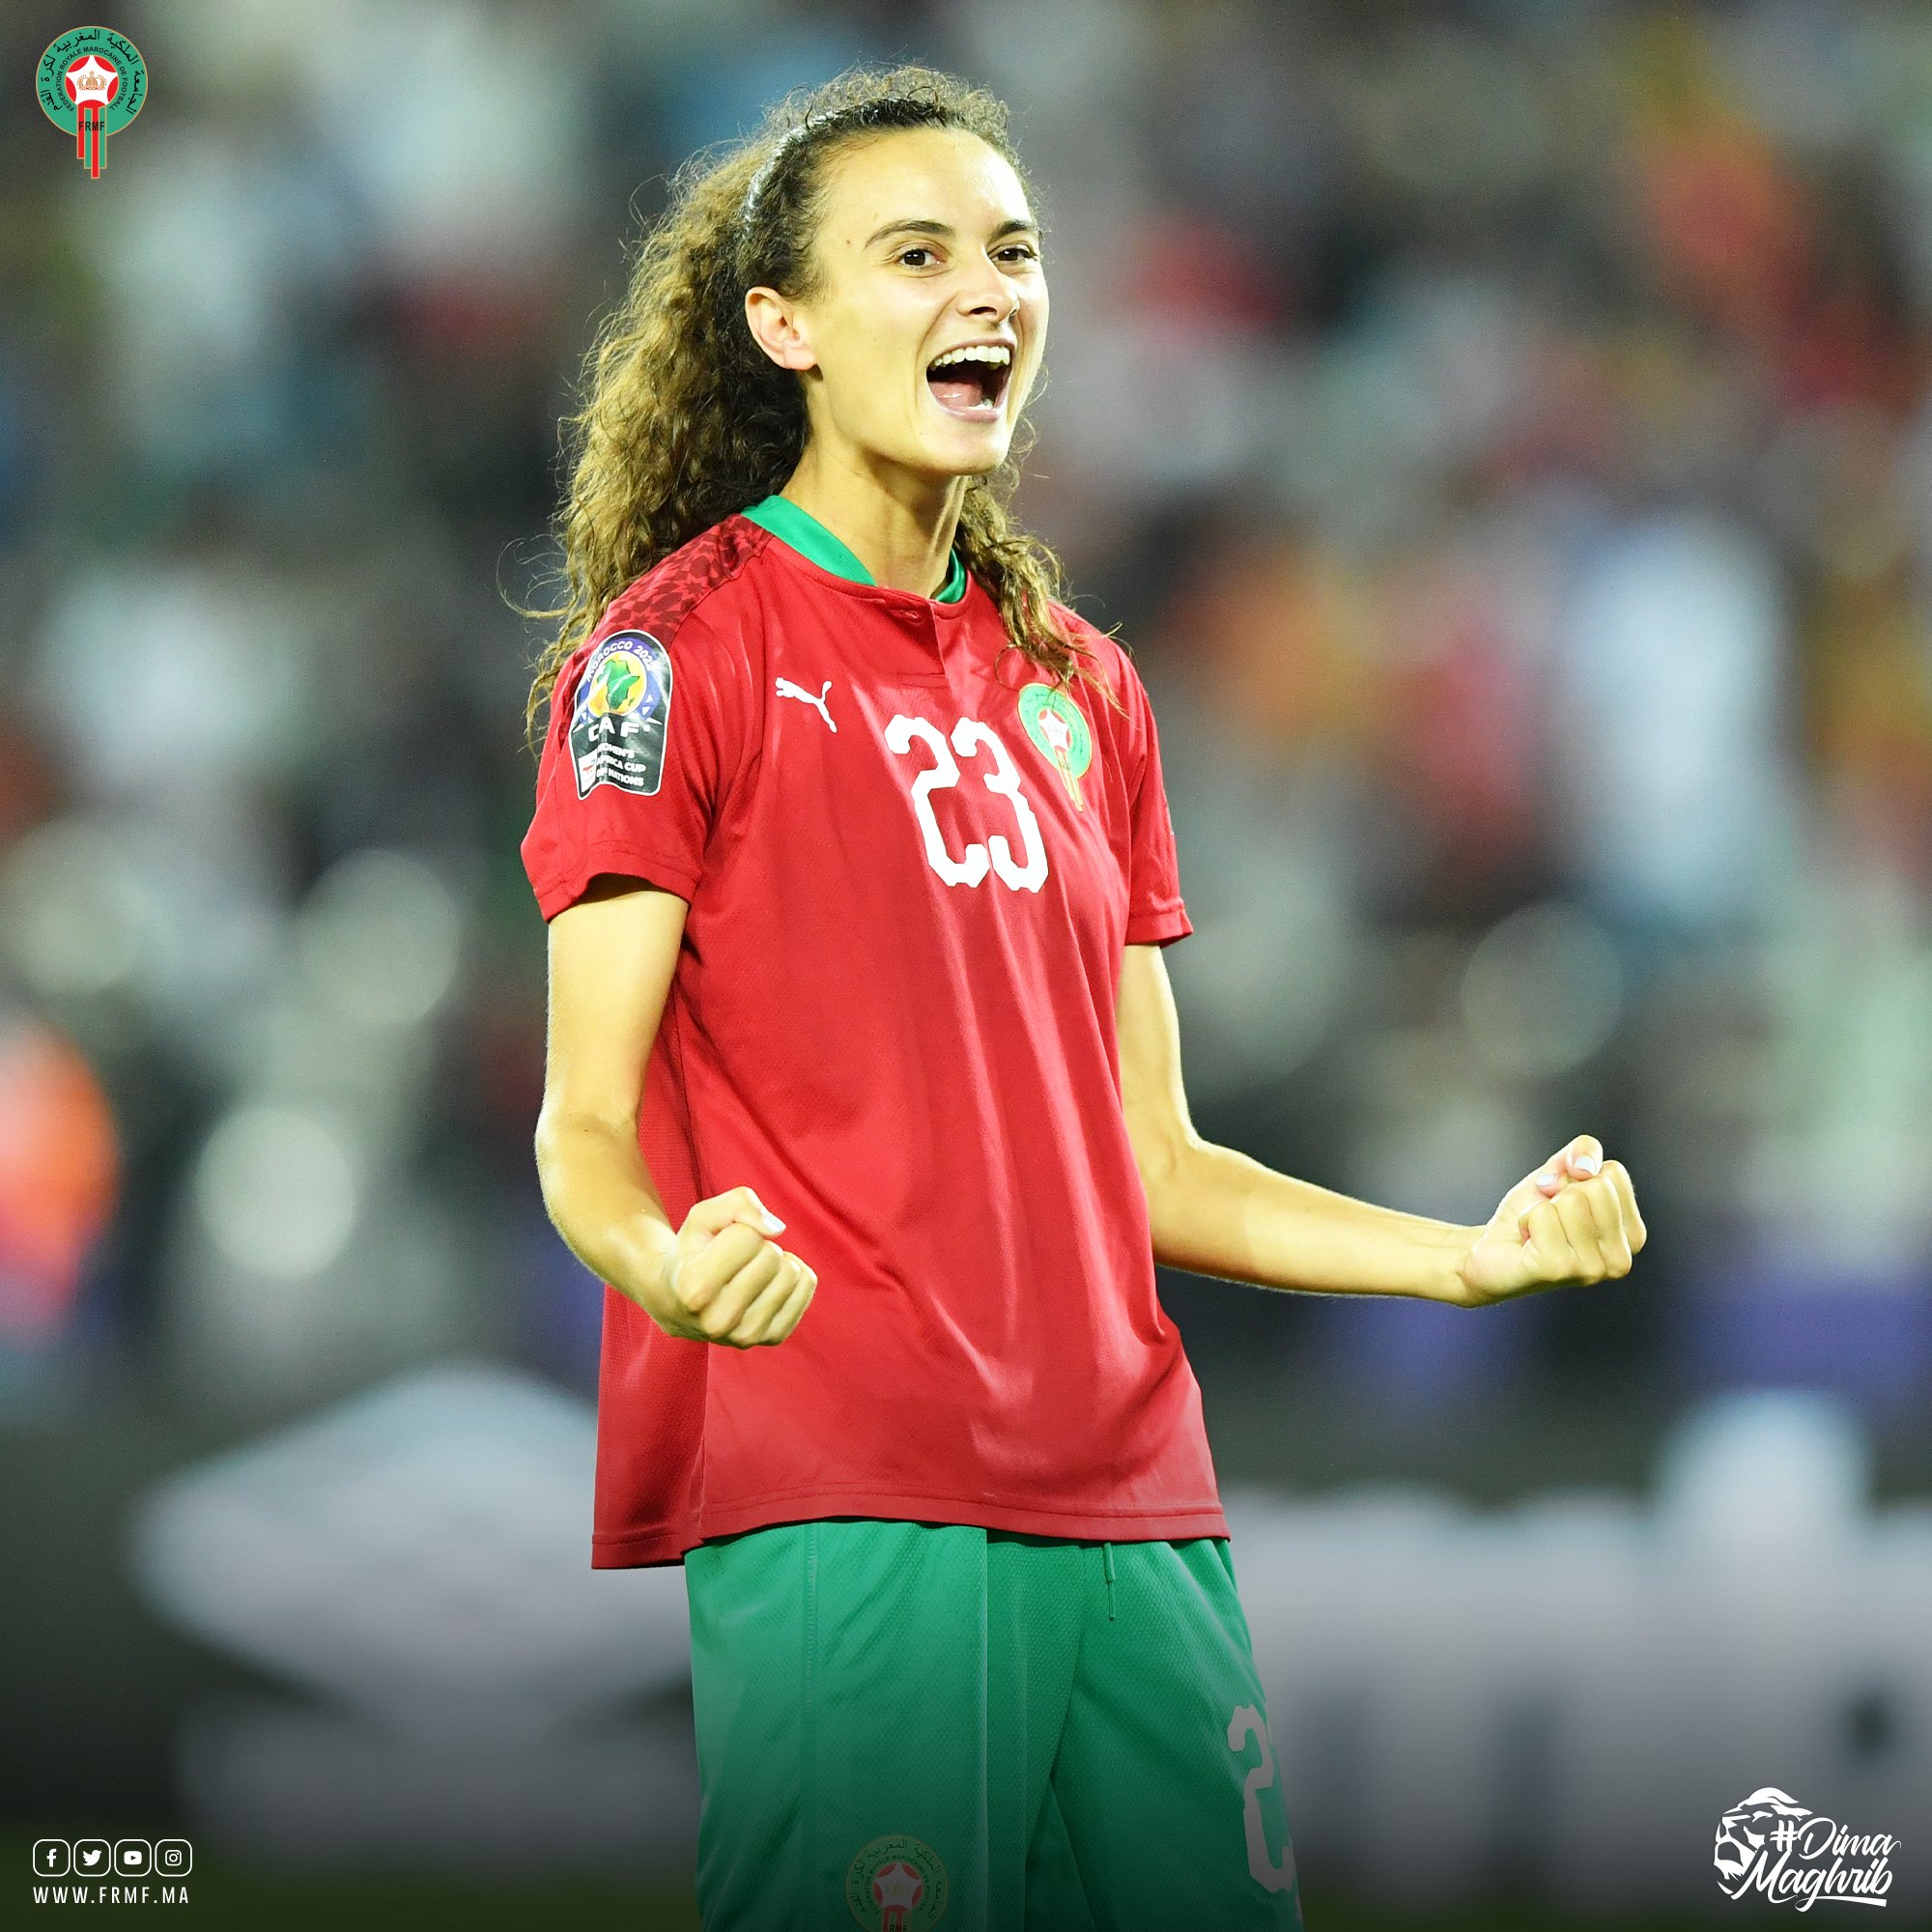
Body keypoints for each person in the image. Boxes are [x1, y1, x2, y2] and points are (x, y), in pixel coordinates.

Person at [521, 64, 1646, 1932]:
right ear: (780, 323)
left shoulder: (1082, 693)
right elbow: (580, 1122)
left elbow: (1155, 1164)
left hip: (1136, 1497)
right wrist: (659, 1264)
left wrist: (1463, 1256)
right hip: (853, 1486)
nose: (989, 291)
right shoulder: (675, 662)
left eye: (1015, 252)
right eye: (917, 253)